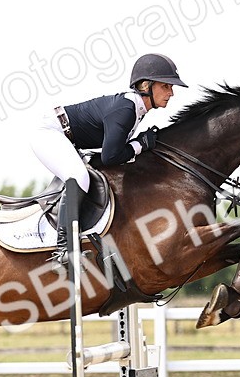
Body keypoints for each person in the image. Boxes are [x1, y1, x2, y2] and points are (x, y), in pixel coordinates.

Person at [31, 53, 187, 266]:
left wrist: (138, 145)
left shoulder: (136, 109)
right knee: (79, 176)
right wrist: (140, 145)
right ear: (146, 85)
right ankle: (63, 250)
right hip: (49, 133)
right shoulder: (127, 108)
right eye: (165, 86)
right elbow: (110, 156)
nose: (171, 93)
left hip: (65, 136)